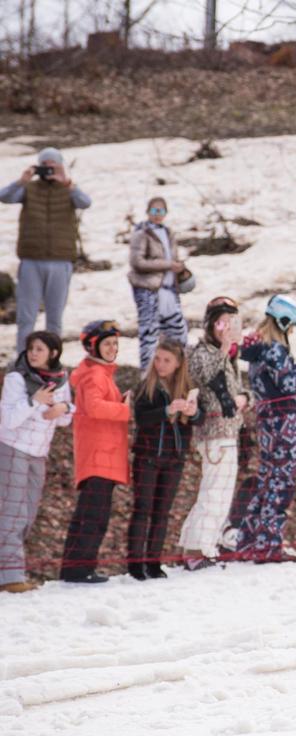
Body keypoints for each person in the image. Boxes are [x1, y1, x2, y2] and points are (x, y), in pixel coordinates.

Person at [230, 296, 296, 564]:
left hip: (269, 427)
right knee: (281, 485)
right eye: (291, 328)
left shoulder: (260, 350)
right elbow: (292, 386)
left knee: (267, 483)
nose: (291, 333)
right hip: (284, 429)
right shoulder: (275, 350)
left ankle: (249, 541)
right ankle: (268, 545)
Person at [0, 147, 93, 353]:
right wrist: (21, 180)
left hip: (61, 261)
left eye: (53, 165)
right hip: (31, 260)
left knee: (55, 316)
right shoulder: (29, 189)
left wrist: (68, 184)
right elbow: (3, 197)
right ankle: (23, 360)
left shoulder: (68, 189)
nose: (49, 169)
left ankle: (52, 360)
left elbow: (86, 202)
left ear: (60, 166)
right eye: (45, 165)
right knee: (27, 316)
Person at [178, 297, 248, 570]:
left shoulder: (230, 356)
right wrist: (223, 346)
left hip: (230, 429)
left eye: (231, 323)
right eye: (221, 323)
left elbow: (238, 388)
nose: (226, 328)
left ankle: (193, 544)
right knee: (214, 492)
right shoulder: (204, 351)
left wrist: (244, 398)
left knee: (220, 491)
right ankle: (200, 549)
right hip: (214, 432)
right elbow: (201, 372)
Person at [0, 332, 73, 592]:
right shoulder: (16, 379)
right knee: (12, 514)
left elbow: (66, 416)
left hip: (38, 453)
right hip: (12, 450)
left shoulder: (60, 379)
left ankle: (10, 571)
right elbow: (7, 420)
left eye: (39, 349)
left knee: (29, 513)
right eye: (31, 348)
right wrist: (34, 401)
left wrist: (63, 409)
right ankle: (10, 578)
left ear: (53, 353)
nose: (33, 353)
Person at [60, 321, 130, 584]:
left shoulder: (101, 374)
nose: (113, 348)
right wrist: (125, 409)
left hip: (104, 455)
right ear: (93, 346)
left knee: (91, 514)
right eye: (107, 343)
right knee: (93, 516)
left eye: (115, 343)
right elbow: (96, 408)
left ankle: (76, 567)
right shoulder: (95, 375)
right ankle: (79, 569)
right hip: (100, 456)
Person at [128, 340, 202, 580]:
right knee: (143, 509)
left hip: (174, 459)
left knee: (162, 512)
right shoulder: (145, 387)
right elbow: (141, 418)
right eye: (157, 359)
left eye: (167, 360)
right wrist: (167, 411)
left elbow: (200, 419)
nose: (160, 364)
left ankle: (153, 562)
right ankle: (135, 564)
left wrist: (193, 413)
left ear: (178, 363)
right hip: (148, 456)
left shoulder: (188, 387)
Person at [128, 196, 189, 370]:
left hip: (170, 290)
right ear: (148, 212)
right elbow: (137, 262)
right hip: (150, 290)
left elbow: (173, 257)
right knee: (150, 336)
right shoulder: (141, 234)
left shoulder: (168, 233)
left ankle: (179, 372)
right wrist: (168, 265)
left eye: (161, 211)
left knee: (179, 333)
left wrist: (180, 269)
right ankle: (147, 377)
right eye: (154, 211)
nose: (157, 214)